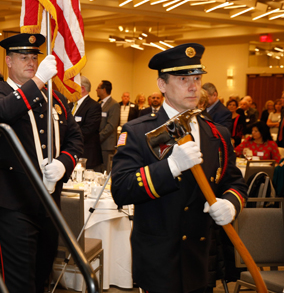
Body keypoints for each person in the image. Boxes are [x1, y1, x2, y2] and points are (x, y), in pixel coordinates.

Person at [111, 43, 247, 293]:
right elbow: (121, 188)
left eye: (197, 78)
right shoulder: (139, 131)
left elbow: (235, 183)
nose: (194, 86)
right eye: (183, 79)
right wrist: (171, 166)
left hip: (202, 260)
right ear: (162, 85)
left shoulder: (216, 133)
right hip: (160, 262)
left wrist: (231, 203)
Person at [0, 33, 83, 293]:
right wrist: (38, 81)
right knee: (19, 281)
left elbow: (75, 138)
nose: (31, 61)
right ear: (9, 61)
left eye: (34, 57)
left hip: (49, 203)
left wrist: (63, 164)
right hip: (14, 202)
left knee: (41, 276)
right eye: (23, 56)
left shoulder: (55, 98)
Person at [71, 75, 103, 171]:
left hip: (87, 156)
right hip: (71, 154)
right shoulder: (69, 105)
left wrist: (67, 137)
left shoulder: (94, 106)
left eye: (72, 86)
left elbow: (87, 130)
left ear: (82, 89)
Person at [97, 80, 120, 170]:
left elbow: (111, 126)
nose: (96, 90)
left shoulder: (114, 105)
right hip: (98, 145)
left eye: (98, 88)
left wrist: (98, 138)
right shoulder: (99, 104)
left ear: (104, 90)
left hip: (106, 144)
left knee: (105, 171)